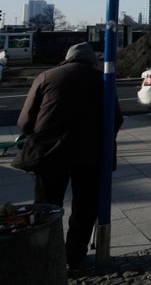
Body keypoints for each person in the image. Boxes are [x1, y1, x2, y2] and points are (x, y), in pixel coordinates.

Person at [14, 43, 123, 271]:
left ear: (68, 58)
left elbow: (24, 121)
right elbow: (116, 118)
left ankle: (46, 256)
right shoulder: (102, 80)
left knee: (46, 206)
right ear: (91, 60)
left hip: (48, 153)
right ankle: (75, 256)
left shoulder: (46, 76)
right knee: (85, 206)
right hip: (90, 154)